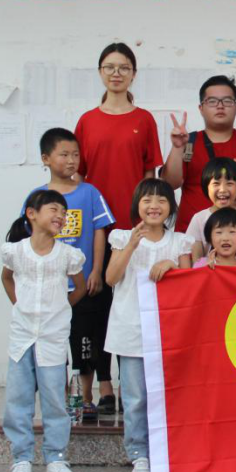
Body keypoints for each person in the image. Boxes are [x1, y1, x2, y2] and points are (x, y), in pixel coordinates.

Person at [74, 42, 163, 411]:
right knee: (95, 307)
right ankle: (104, 385)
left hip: (133, 229)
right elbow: (77, 176)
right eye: (109, 67)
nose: (116, 73)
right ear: (100, 72)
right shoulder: (87, 121)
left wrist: (148, 222)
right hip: (96, 229)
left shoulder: (144, 120)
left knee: (131, 309)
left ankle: (133, 387)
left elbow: (150, 175)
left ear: (133, 74)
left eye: (124, 67)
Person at [104, 179, 193, 472]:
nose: (154, 206)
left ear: (171, 207)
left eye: (161, 200)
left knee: (169, 396)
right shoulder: (121, 237)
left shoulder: (179, 242)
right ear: (137, 205)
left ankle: (167, 451)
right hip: (131, 328)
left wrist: (171, 265)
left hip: (170, 332)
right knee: (136, 397)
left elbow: (189, 284)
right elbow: (111, 278)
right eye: (147, 200)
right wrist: (132, 245)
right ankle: (138, 453)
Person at [25, 128, 115, 421]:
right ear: (46, 158)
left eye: (75, 154)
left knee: (84, 341)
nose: (72, 160)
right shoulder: (37, 198)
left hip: (83, 286)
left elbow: (100, 232)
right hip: (50, 288)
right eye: (64, 154)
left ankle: (85, 397)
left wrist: (96, 270)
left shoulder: (90, 193)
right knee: (52, 345)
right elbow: (28, 239)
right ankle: (60, 398)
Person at [0, 189, 87, 472]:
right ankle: (21, 458)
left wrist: (61, 310)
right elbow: (6, 277)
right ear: (32, 214)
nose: (60, 216)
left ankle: (56, 457)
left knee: (54, 399)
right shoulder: (16, 251)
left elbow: (80, 287)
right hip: (22, 337)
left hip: (53, 337)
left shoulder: (68, 255)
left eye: (64, 212)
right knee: (18, 398)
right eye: (54, 210)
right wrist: (19, 305)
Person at [161, 75, 236, 233]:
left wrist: (222, 205)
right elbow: (170, 184)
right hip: (190, 234)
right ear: (201, 108)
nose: (220, 106)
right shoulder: (188, 142)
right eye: (212, 101)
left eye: (227, 101)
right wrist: (177, 148)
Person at [184, 158, 236, 266]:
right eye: (216, 183)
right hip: (210, 275)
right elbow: (196, 258)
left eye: (229, 183)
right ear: (206, 187)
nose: (222, 189)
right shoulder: (198, 219)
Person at [192, 207, 236, 272]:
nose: (225, 238)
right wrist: (205, 269)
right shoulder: (202, 264)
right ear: (210, 238)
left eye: (232, 232)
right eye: (219, 232)